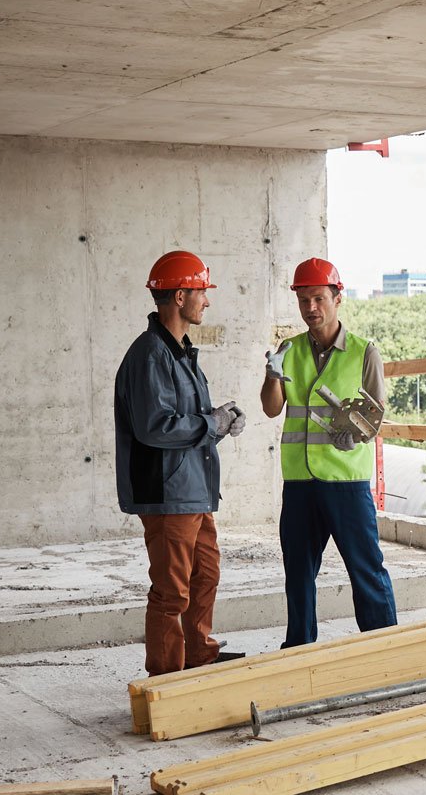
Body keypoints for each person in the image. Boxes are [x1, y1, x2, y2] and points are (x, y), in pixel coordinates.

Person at [114, 250, 247, 675]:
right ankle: (167, 677)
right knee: (172, 591)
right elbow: (156, 427)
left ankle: (198, 656)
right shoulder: (151, 355)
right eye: (201, 292)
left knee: (205, 575)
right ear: (178, 296)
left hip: (193, 491)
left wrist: (220, 423)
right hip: (168, 494)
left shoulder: (181, 352)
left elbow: (189, 425)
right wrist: (212, 422)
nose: (206, 300)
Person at [260, 257, 398, 648]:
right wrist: (272, 377)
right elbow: (272, 408)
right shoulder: (289, 350)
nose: (310, 309)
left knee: (365, 569)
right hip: (300, 482)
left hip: (346, 482)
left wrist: (355, 435)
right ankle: (299, 648)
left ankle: (385, 648)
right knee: (299, 574)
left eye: (318, 299)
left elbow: (375, 419)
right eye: (304, 301)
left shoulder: (363, 352)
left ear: (337, 298)